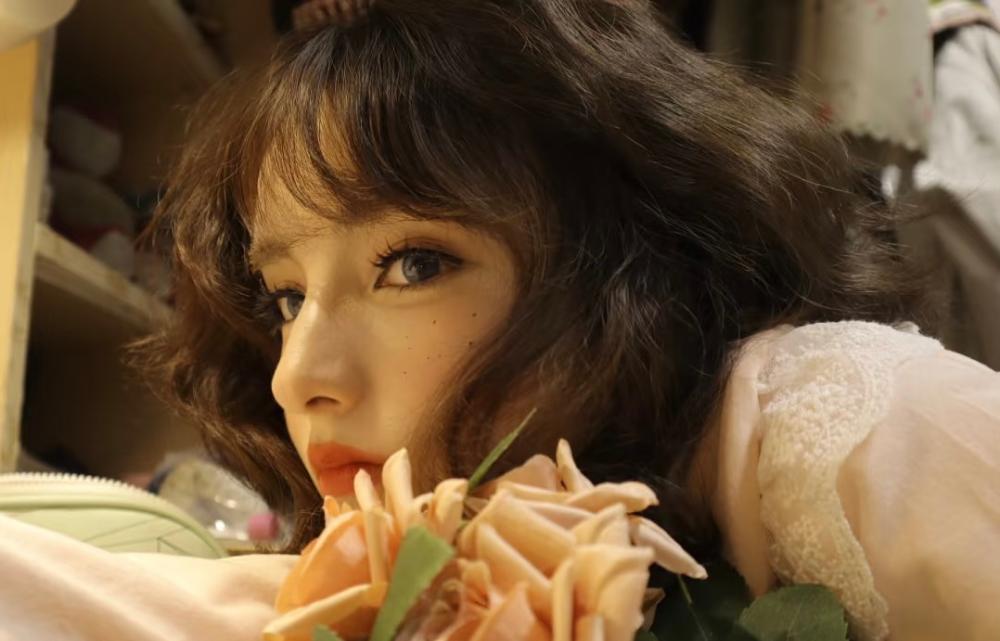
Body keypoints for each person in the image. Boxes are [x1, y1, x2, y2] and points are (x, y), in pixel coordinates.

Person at [2, 1, 998, 640]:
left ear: (622, 257)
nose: (298, 373)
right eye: (287, 296)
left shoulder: (838, 417)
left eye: (413, 264)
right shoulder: (400, 563)